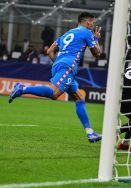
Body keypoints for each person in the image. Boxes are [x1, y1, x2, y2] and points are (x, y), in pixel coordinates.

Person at [8, 12, 102, 143]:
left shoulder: (66, 34)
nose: (93, 24)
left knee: (79, 98)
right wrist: (96, 39)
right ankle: (22, 88)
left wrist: (58, 63)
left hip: (59, 65)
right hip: (68, 67)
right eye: (92, 22)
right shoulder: (87, 33)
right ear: (87, 22)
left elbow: (49, 51)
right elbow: (97, 54)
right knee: (54, 93)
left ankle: (90, 133)